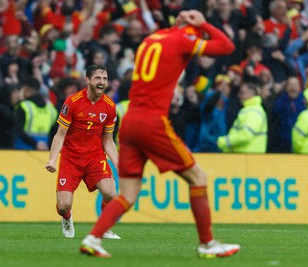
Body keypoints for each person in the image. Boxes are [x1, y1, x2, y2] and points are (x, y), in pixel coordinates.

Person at [80, 10, 240, 258]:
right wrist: (205, 23)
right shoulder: (182, 40)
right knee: (198, 178)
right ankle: (207, 244)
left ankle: (93, 238)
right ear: (191, 30)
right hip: (152, 122)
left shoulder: (151, 40)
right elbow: (227, 46)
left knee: (128, 194)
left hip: (131, 120)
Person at [45, 64, 120, 240]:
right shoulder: (72, 102)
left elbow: (108, 140)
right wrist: (52, 160)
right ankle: (67, 218)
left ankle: (104, 227)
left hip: (95, 157)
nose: (102, 82)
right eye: (98, 78)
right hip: (71, 158)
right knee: (63, 205)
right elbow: (60, 134)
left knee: (110, 193)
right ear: (87, 80)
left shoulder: (110, 106)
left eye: (105, 78)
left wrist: (118, 163)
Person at [217, 82, 268, 153]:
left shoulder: (254, 112)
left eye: (242, 93)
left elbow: (245, 136)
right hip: (244, 158)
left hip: (248, 159)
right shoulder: (249, 110)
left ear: (251, 94)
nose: (239, 95)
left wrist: (223, 142)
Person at [14, 78, 57, 150]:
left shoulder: (23, 106)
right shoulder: (51, 109)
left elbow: (17, 130)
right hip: (43, 149)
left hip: (22, 149)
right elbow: (56, 132)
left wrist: (18, 101)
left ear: (26, 90)